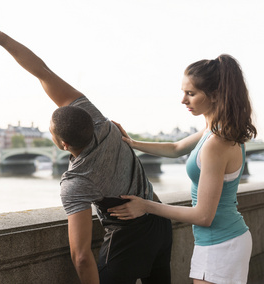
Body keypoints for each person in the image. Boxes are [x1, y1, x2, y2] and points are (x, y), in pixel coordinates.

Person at [0, 21, 172, 284]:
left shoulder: (77, 182)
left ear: (63, 145)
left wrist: (0, 39)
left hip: (129, 238)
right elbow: (43, 72)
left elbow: (80, 256)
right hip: (160, 219)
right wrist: (0, 37)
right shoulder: (99, 121)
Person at [109, 54, 257, 284]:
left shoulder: (216, 143)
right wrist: (133, 143)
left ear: (215, 95)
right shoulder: (214, 130)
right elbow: (176, 147)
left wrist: (145, 206)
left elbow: (203, 216)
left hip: (220, 244)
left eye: (191, 93)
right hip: (223, 240)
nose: (183, 100)